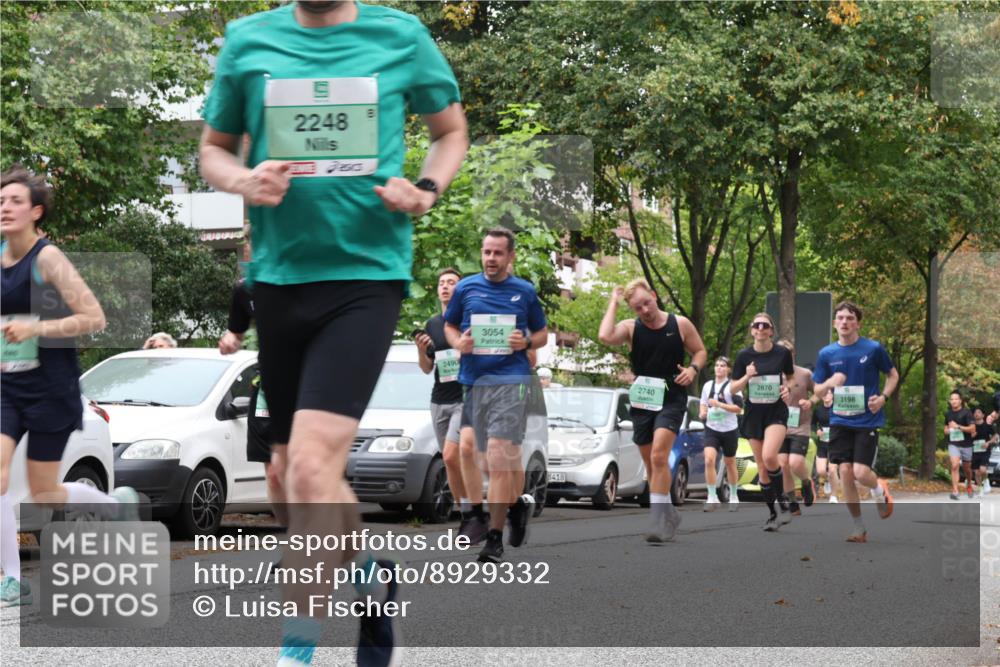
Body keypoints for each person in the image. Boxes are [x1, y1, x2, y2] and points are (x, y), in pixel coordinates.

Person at [198, 1, 468, 664]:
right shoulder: (249, 40)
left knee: (316, 465)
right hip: (279, 281)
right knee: (290, 481)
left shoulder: (398, 35)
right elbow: (213, 150)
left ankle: (297, 651)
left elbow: (450, 131)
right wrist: (243, 179)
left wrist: (427, 189)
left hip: (364, 277)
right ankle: (370, 575)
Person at [1, 165, 140, 608]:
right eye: (1, 200)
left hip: (50, 388)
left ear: (36, 211)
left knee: (44, 493)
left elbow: (93, 318)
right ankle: (9, 577)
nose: (5, 207)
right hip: (6, 386)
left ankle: (114, 506)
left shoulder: (47, 259)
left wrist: (35, 328)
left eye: (15, 201)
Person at [444, 228, 548, 563]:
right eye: (487, 252)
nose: (491, 259)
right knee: (471, 449)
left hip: (511, 379)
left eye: (498, 253)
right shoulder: (466, 287)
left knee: (501, 455)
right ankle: (498, 509)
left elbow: (543, 333)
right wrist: (459, 342)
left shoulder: (524, 292)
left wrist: (527, 343)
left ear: (510, 256)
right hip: (475, 381)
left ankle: (494, 536)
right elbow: (450, 326)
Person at [598, 279, 707, 542]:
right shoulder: (630, 328)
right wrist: (613, 302)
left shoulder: (679, 324)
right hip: (643, 398)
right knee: (651, 463)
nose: (644, 310)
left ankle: (657, 520)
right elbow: (604, 336)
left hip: (672, 396)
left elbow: (700, 351)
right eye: (638, 308)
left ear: (655, 296)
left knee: (659, 456)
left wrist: (692, 369)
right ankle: (668, 511)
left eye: (647, 303)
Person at [812, 301, 898, 543]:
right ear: (834, 323)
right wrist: (828, 389)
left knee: (860, 472)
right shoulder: (826, 354)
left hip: (867, 420)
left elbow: (892, 374)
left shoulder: (872, 349)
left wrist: (883, 398)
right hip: (839, 420)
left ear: (858, 323)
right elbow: (817, 388)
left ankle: (879, 488)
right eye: (840, 318)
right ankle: (858, 528)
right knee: (845, 472)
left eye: (850, 318)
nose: (844, 322)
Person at [217, 278, 286, 528]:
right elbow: (236, 331)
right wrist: (231, 341)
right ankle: (298, 538)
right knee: (275, 474)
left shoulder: (303, 276)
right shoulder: (244, 289)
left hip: (310, 384)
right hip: (269, 387)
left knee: (310, 468)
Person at [413, 268, 471, 531]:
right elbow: (426, 368)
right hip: (438, 399)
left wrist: (464, 355)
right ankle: (468, 511)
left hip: (464, 398)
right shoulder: (433, 324)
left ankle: (469, 511)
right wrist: (421, 349)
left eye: (451, 283)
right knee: (452, 461)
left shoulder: (468, 321)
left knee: (449, 456)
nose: (445, 287)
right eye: (441, 283)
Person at [728, 313, 794, 532]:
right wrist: (747, 377)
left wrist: (787, 388)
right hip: (754, 414)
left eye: (765, 325)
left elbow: (791, 377)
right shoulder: (743, 356)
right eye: (756, 324)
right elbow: (732, 389)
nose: (761, 328)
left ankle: (783, 501)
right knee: (763, 469)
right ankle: (773, 514)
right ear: (752, 330)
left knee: (769, 456)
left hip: (776, 411)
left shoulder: (782, 353)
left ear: (771, 331)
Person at [776, 339, 817, 515]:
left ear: (792, 355)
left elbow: (819, 391)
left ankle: (806, 482)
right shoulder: (771, 375)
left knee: (795, 462)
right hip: (778, 425)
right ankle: (792, 501)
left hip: (800, 425)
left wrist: (810, 402)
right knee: (783, 464)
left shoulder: (805, 373)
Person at [698, 357, 743, 511]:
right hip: (712, 428)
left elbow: (739, 408)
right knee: (709, 460)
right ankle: (712, 496)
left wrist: (719, 404)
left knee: (730, 463)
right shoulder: (707, 386)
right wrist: (703, 413)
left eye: (723, 366)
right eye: (717, 365)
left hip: (729, 429)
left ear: (728, 369)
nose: (719, 368)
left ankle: (734, 495)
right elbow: (703, 403)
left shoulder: (733, 386)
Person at [944, 391, 975, 500]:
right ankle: (955, 490)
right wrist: (947, 430)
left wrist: (958, 427)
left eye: (956, 399)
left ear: (960, 401)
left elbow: (972, 429)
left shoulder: (967, 413)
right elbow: (946, 428)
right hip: (954, 444)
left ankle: (969, 485)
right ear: (949, 401)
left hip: (966, 444)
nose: (953, 401)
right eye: (951, 399)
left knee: (967, 469)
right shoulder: (948, 414)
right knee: (955, 465)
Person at [812, 391, 843, 503]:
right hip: (823, 443)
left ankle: (834, 496)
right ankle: (827, 481)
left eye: (828, 393)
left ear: (833, 395)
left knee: (832, 469)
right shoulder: (818, 410)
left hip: (836, 444)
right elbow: (812, 423)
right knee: (821, 471)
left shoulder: (838, 408)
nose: (826, 395)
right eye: (824, 393)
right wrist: (817, 430)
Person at [972, 407, 996, 496]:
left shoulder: (988, 426)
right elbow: (966, 438)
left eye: (979, 412)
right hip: (974, 451)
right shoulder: (971, 426)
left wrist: (988, 443)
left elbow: (995, 436)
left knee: (982, 470)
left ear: (983, 415)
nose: (976, 414)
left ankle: (986, 481)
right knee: (977, 472)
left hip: (985, 451)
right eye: (975, 412)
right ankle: (980, 489)